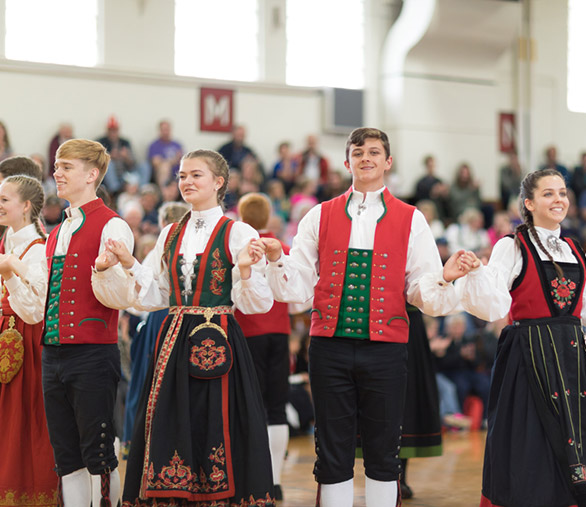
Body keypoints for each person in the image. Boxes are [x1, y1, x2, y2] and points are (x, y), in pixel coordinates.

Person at [259, 127, 475, 507]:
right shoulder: (318, 216)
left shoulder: (412, 219)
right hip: (329, 347)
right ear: (347, 162)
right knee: (332, 451)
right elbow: (298, 289)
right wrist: (278, 258)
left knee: (383, 452)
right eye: (358, 152)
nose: (366, 158)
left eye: (374, 152)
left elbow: (419, 290)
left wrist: (444, 276)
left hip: (386, 350)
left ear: (388, 162)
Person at [459, 167, 586, 507]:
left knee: (580, 445)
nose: (558, 200)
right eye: (548, 193)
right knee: (531, 446)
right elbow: (492, 304)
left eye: (562, 193)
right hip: (528, 360)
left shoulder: (573, 249)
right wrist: (478, 274)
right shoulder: (512, 247)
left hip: (571, 361)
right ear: (529, 202)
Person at [96, 149, 276, 506]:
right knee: (171, 421)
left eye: (196, 175)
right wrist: (130, 262)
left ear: (219, 182)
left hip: (221, 338)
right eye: (181, 176)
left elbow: (258, 303)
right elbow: (155, 295)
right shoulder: (170, 233)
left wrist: (242, 269)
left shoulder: (238, 232)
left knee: (218, 422)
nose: (187, 182)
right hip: (174, 339)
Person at [42, 139, 134, 506]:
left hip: (93, 352)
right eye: (56, 165)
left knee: (97, 450)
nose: (57, 173)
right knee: (66, 456)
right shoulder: (56, 231)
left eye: (66, 166)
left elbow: (123, 296)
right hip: (53, 353)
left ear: (92, 174)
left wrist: (104, 270)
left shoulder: (113, 225)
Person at [0, 175, 57, 505]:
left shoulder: (38, 249)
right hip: (5, 333)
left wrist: (11, 272)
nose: (0, 205)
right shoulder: (8, 242)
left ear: (25, 206)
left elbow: (36, 308)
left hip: (25, 338)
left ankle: (27, 492)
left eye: (5, 199)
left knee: (25, 418)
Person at [233, 192, 294, 502]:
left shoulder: (243, 248)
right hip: (279, 334)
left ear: (241, 216)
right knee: (277, 407)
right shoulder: (282, 248)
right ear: (269, 216)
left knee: (251, 405)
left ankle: (254, 477)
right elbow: (295, 297)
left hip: (248, 334)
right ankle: (277, 479)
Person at [121, 201, 189, 455]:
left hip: (160, 315)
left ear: (163, 224)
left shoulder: (164, 247)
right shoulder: (181, 246)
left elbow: (142, 295)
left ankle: (136, 439)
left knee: (145, 379)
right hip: (178, 314)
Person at [97, 115, 138, 193]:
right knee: (109, 164)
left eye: (115, 130)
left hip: (124, 172)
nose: (113, 133)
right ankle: (114, 190)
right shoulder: (101, 142)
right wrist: (110, 156)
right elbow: (96, 161)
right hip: (108, 176)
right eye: (111, 130)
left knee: (140, 169)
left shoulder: (125, 142)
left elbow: (133, 164)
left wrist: (126, 157)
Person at [147, 120, 183, 186]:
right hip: (162, 173)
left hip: (178, 172)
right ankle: (164, 193)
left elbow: (182, 160)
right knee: (165, 167)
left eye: (167, 129)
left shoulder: (177, 145)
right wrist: (173, 161)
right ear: (159, 131)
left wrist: (167, 161)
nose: (166, 132)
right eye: (164, 129)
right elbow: (156, 162)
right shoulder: (154, 145)